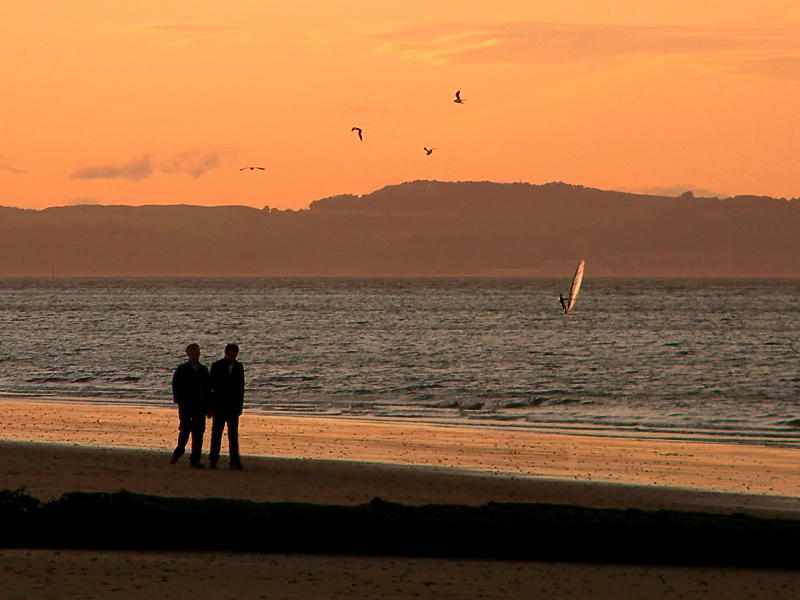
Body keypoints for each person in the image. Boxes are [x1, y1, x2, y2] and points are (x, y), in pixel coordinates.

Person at [170, 343, 211, 468]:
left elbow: (208, 389)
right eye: (194, 352)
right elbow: (176, 386)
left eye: (198, 352)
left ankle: (195, 459)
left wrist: (209, 407)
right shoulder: (182, 369)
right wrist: (179, 400)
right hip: (186, 404)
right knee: (185, 430)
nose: (196, 355)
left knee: (199, 433)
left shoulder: (203, 370)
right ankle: (179, 451)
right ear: (188, 353)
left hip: (200, 404)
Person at [208, 343, 246, 470]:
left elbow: (241, 388)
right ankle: (213, 459)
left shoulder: (239, 367)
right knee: (217, 434)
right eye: (231, 353)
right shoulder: (217, 365)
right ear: (226, 353)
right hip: (219, 405)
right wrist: (209, 406)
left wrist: (240, 406)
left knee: (233, 435)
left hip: (233, 406)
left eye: (235, 354)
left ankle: (234, 460)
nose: (233, 356)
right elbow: (211, 387)